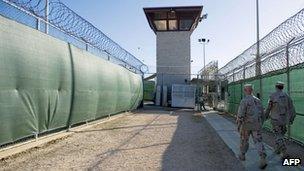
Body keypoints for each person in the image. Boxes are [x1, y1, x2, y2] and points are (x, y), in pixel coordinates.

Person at [236, 84, 267, 169]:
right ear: (252, 90)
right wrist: (261, 123)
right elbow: (263, 114)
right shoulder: (258, 100)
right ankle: (262, 157)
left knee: (244, 140)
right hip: (256, 124)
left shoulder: (244, 100)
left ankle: (242, 155)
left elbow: (240, 114)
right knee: (258, 141)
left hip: (246, 125)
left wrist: (238, 125)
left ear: (245, 91)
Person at [265, 81, 296, 159]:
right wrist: (292, 118)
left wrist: (265, 116)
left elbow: (269, 107)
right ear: (283, 87)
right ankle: (278, 149)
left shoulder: (272, 96)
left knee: (278, 136)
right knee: (281, 134)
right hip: (284, 120)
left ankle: (284, 152)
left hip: (275, 119)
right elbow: (292, 108)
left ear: (276, 87)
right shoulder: (287, 96)